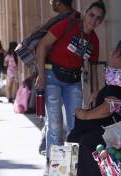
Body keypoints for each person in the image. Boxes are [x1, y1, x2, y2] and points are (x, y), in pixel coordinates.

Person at [35, 0, 106, 169]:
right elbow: (42, 45)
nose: (93, 20)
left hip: (74, 81)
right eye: (91, 15)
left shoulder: (94, 40)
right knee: (55, 125)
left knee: (75, 125)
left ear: (101, 21)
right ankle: (55, 172)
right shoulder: (68, 24)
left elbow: (93, 67)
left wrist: (95, 90)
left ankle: (69, 170)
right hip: (52, 77)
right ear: (85, 13)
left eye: (98, 18)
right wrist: (41, 75)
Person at [67, 40, 121, 176]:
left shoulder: (118, 76)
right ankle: (69, 175)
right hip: (111, 125)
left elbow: (110, 107)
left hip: (115, 129)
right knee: (76, 137)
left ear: (117, 54)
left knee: (87, 141)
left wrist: (85, 114)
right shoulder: (115, 75)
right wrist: (99, 93)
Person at [38, 0, 81, 156]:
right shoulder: (76, 20)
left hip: (56, 76)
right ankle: (63, 171)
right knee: (69, 125)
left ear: (57, 3)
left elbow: (41, 45)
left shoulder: (63, 21)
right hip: (58, 77)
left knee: (57, 125)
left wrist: (40, 75)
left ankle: (64, 170)